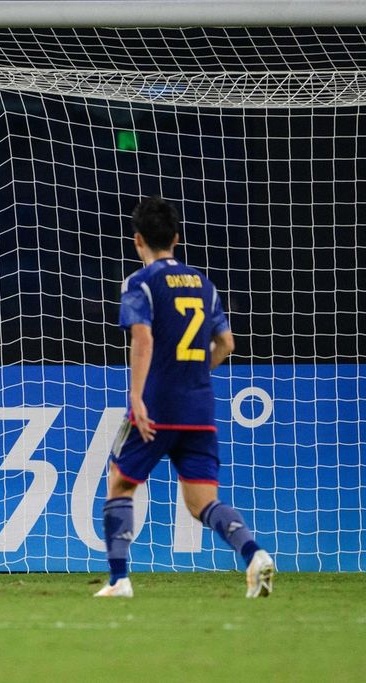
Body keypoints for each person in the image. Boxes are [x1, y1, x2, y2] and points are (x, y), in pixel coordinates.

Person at [95, 196, 274, 598]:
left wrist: (137, 397)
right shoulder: (204, 284)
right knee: (201, 503)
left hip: (157, 406)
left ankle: (119, 580)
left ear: (138, 240)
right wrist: (194, 371)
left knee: (121, 483)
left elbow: (142, 338)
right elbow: (226, 343)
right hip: (199, 407)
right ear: (176, 238)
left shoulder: (140, 283)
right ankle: (255, 554)